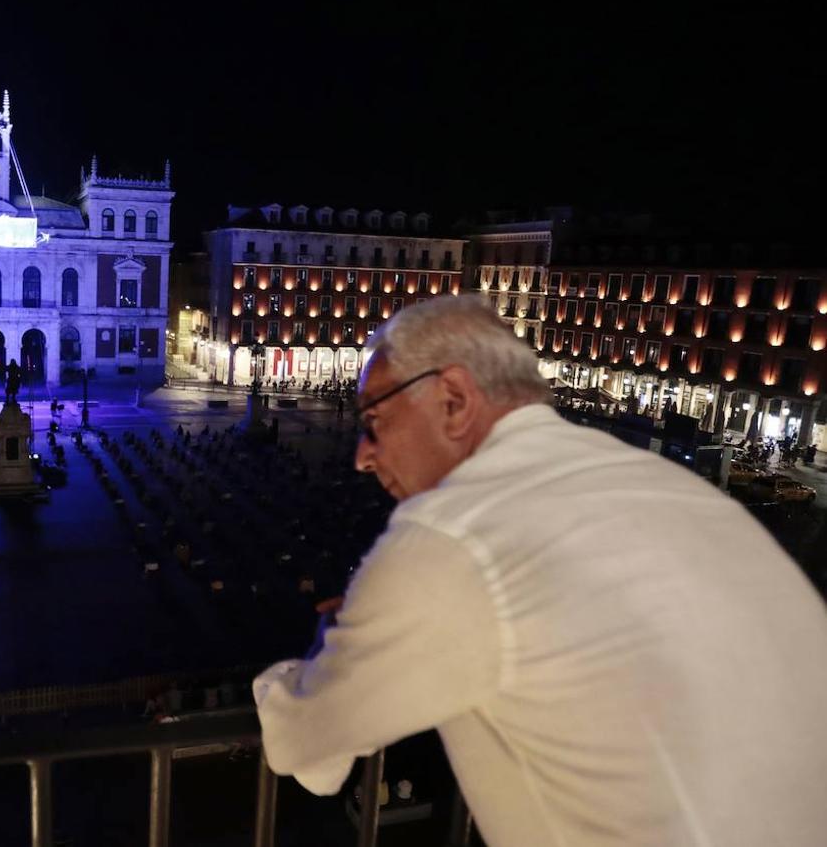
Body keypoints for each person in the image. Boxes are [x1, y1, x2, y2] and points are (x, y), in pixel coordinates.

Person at [253, 295, 827, 847]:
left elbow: (308, 753)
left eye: (374, 417)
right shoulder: (679, 492)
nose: (362, 454)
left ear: (453, 399)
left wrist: (337, 638)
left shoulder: (452, 537)